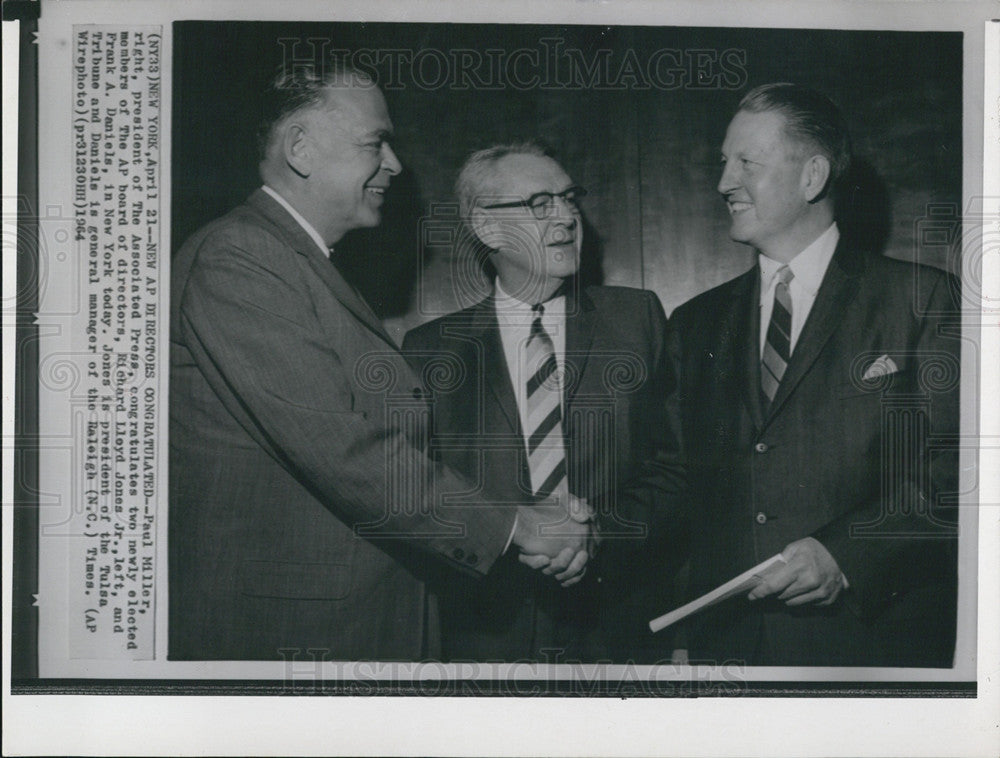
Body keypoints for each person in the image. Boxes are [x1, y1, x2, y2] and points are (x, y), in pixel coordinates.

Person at [168, 64, 591, 661]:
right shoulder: (241, 258)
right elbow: (346, 450)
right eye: (375, 143)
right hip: (293, 636)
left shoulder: (300, 262)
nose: (393, 164)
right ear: (300, 149)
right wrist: (518, 527)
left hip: (349, 621)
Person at [667, 83, 960, 666]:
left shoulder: (921, 298)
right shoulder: (694, 322)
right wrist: (682, 631)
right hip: (725, 651)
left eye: (746, 162)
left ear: (812, 177)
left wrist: (845, 556)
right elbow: (679, 485)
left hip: (870, 649)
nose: (724, 182)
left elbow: (957, 469)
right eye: (724, 163)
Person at [403, 144, 687, 662]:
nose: (566, 217)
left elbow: (674, 469)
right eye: (540, 202)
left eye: (569, 197)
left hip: (613, 627)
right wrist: (514, 537)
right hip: (486, 632)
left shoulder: (636, 320)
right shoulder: (430, 350)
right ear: (487, 228)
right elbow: (421, 491)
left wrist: (594, 535)